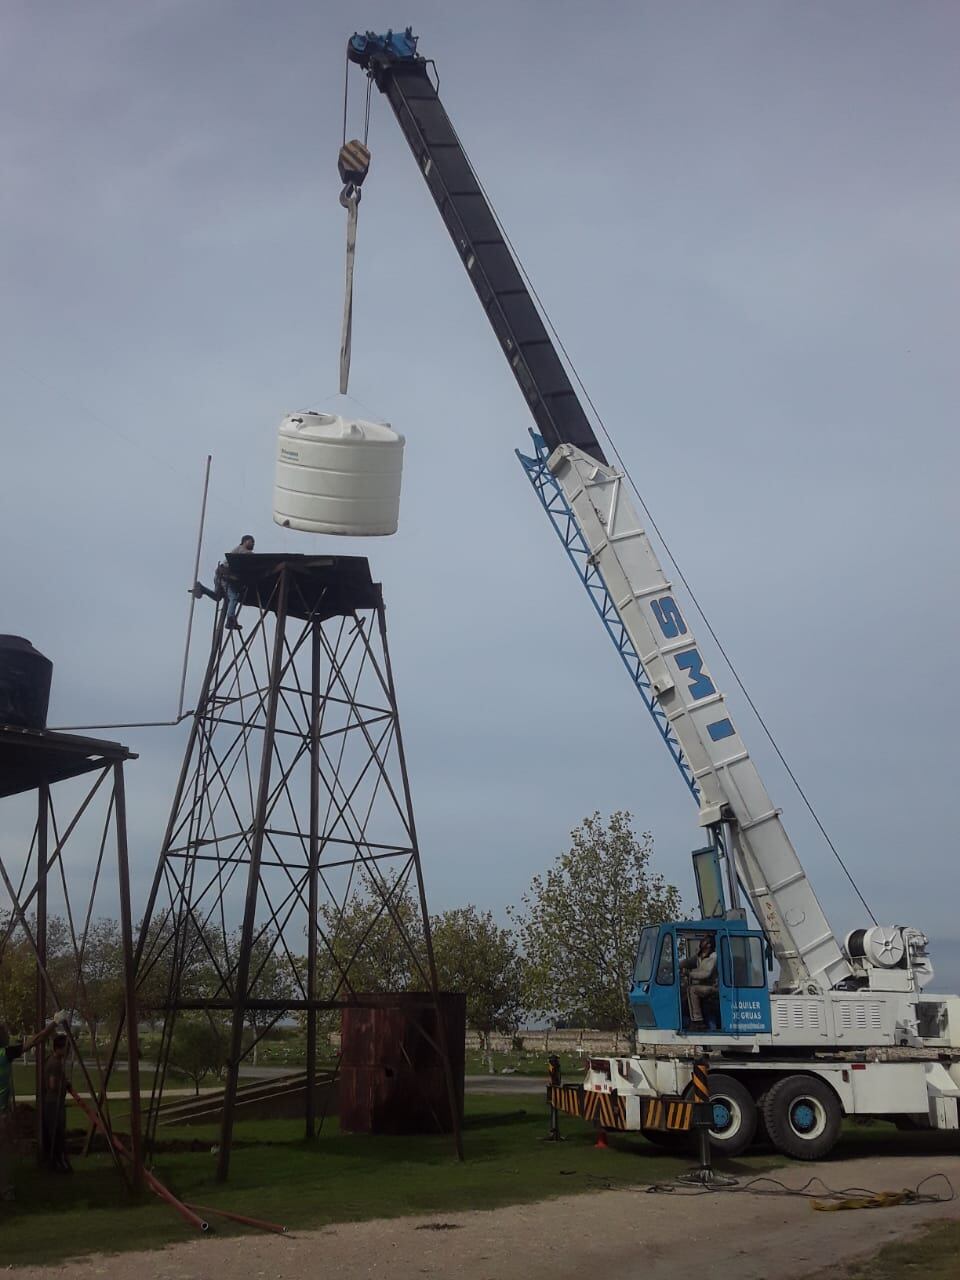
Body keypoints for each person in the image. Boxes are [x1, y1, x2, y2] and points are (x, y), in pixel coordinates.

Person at [0, 1013, 69, 1202]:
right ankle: (4, 1190)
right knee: (3, 1153)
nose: (8, 1035)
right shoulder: (5, 1054)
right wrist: (54, 1023)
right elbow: (36, 1040)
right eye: (5, 1032)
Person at [192, 534, 255, 630]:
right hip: (224, 577)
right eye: (251, 541)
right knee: (233, 597)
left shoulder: (241, 551)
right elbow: (248, 555)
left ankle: (202, 588)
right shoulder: (241, 549)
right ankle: (230, 619)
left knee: (217, 597)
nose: (253, 544)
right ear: (245, 541)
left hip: (220, 576)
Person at [41, 1033, 71, 1173]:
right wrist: (64, 1085)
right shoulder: (54, 1063)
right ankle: (57, 1162)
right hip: (54, 1103)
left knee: (57, 1132)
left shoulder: (54, 1060)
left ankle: (56, 1161)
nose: (68, 1050)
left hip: (55, 1102)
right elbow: (52, 1085)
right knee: (57, 1133)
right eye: (66, 1047)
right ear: (59, 1048)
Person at [681, 936, 718, 1027]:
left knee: (692, 989)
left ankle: (697, 1021)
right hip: (704, 987)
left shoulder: (713, 956)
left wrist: (689, 973)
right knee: (682, 990)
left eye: (705, 941)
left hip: (713, 987)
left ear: (709, 945)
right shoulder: (700, 956)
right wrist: (674, 965)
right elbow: (687, 962)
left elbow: (705, 973)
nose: (702, 942)